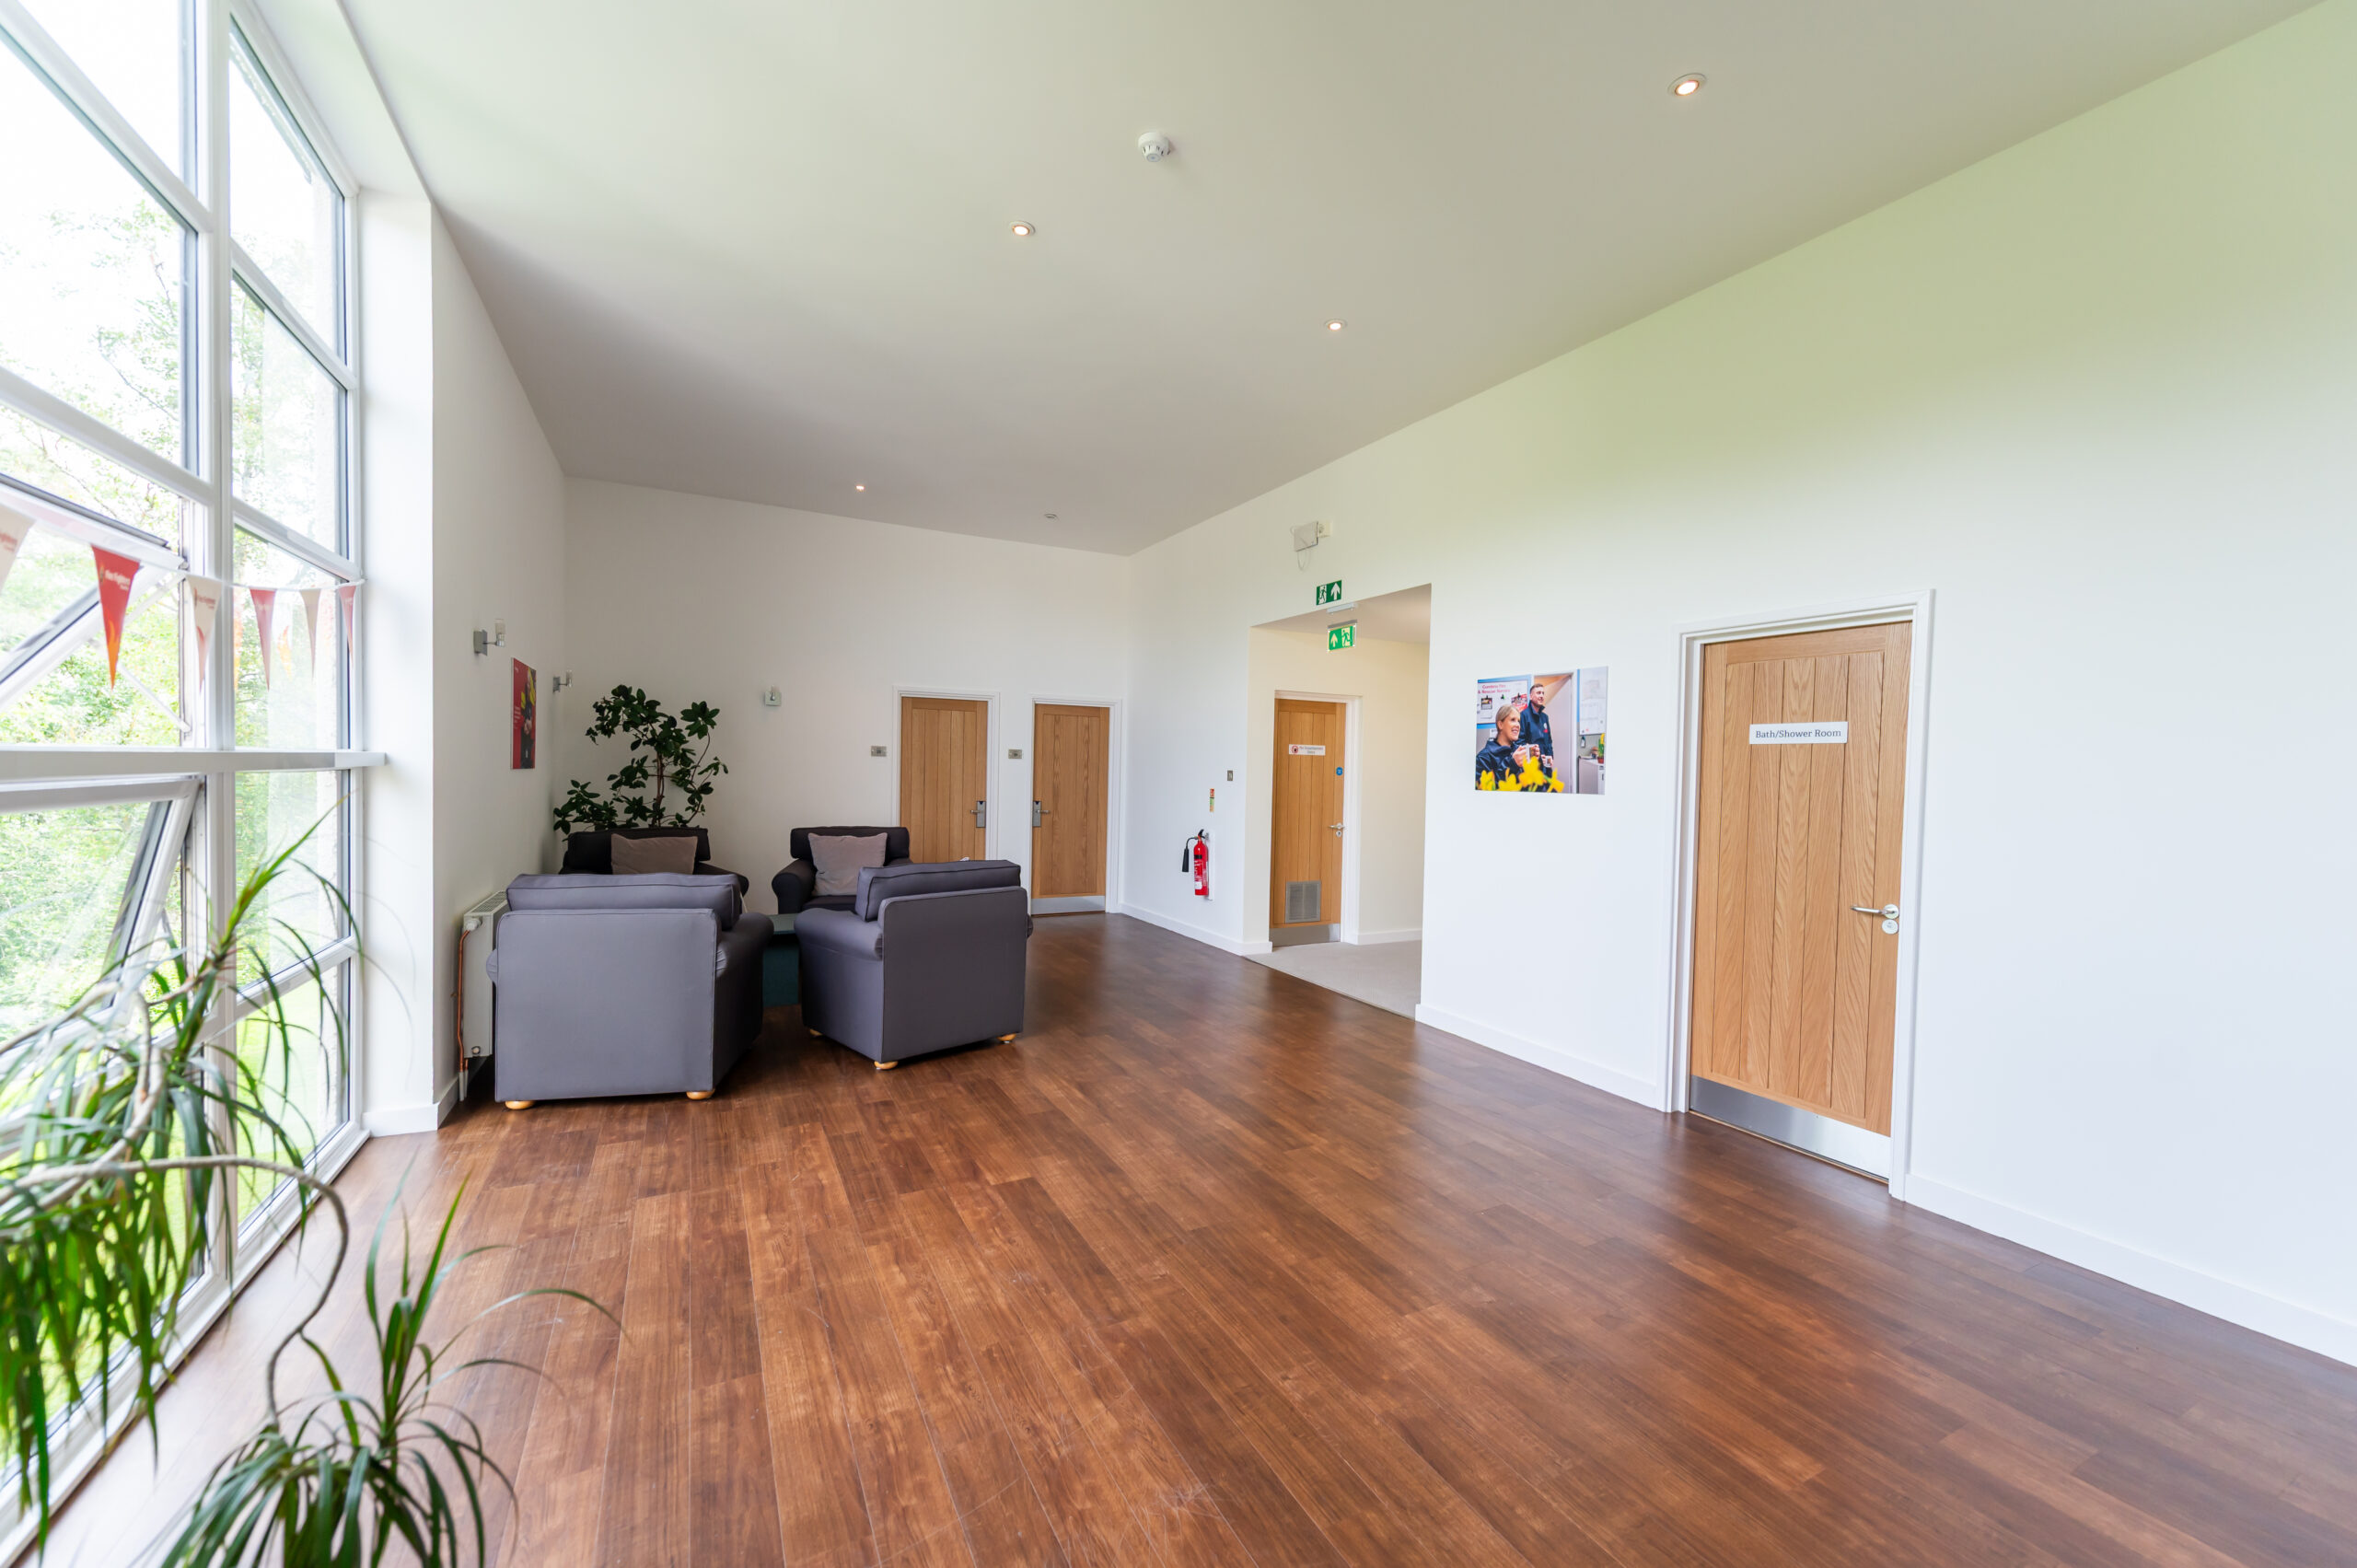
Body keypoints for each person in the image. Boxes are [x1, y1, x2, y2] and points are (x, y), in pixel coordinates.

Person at [1475, 703, 1560, 791]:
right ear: (1500, 725)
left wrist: (1539, 763)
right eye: (1513, 720)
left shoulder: (1521, 751)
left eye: (1518, 721)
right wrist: (1512, 765)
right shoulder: (1483, 758)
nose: (1518, 725)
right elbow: (1483, 791)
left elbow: (1533, 786)